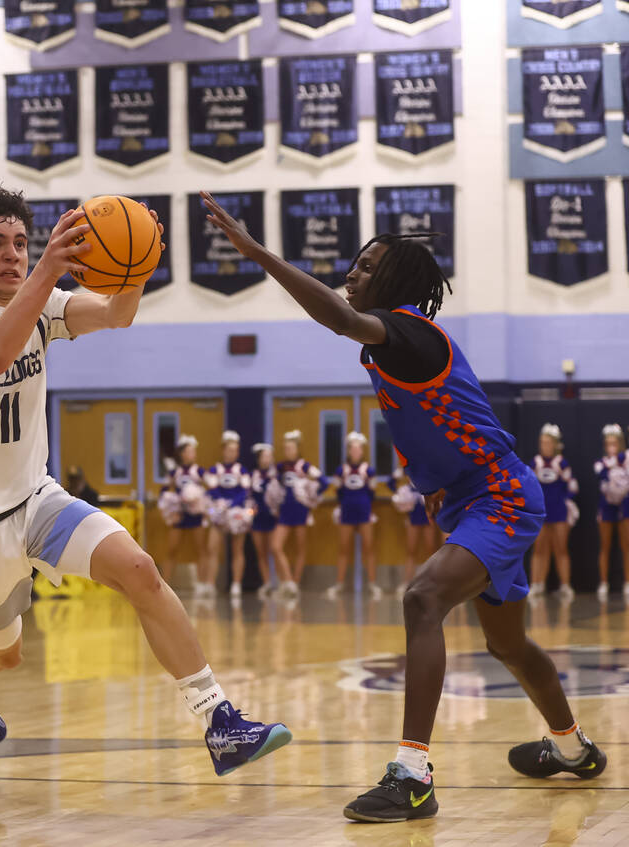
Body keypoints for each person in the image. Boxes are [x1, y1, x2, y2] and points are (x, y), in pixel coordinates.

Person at [201, 193, 606, 823]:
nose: (352, 275)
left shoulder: (409, 331)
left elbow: (337, 316)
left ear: (394, 282)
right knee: (509, 646)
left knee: (422, 599)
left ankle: (412, 775)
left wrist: (257, 254)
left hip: (498, 495)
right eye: (353, 267)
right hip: (474, 496)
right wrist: (435, 477)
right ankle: (571, 749)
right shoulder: (394, 344)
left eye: (365, 268)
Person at [0, 186, 289, 778]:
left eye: (20, 242)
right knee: (2, 655)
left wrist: (137, 266)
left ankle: (219, 721)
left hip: (33, 498)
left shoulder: (40, 302)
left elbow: (117, 313)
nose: (12, 254)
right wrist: (46, 270)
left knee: (141, 572)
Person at [325, 432, 381, 599]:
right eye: (353, 449)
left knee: (369, 548)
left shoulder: (369, 471)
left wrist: (366, 506)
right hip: (346, 513)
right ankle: (339, 584)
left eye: (359, 449)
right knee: (343, 549)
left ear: (362, 451)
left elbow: (372, 493)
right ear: (348, 451)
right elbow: (338, 492)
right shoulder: (341, 470)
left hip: (364, 513)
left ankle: (372, 584)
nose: (356, 452)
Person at [159, 435, 214, 593]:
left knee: (201, 548)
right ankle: (165, 585)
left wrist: (204, 506)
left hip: (195, 515)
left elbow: (213, 488)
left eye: (193, 451)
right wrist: (169, 507)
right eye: (189, 451)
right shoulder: (174, 472)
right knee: (172, 548)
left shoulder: (199, 471)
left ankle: (203, 584)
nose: (192, 454)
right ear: (182, 454)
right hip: (179, 514)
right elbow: (163, 490)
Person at [529, 424, 577, 601]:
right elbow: (528, 486)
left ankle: (565, 585)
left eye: (548, 443)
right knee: (539, 548)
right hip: (541, 512)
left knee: (560, 548)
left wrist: (567, 501)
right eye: (542, 442)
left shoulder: (561, 463)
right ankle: (536, 584)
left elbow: (572, 486)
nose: (545, 446)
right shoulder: (535, 463)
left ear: (555, 444)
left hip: (558, 512)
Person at [272, 430, 320, 596]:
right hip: (284, 512)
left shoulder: (305, 466)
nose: (288, 452)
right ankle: (288, 581)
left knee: (301, 548)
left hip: (301, 510)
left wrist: (310, 496)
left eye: (291, 448)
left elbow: (323, 481)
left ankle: (296, 584)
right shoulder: (280, 467)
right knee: (275, 547)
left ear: (297, 449)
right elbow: (273, 488)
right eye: (286, 449)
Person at [205, 431, 253, 597]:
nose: (232, 453)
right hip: (218, 512)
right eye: (229, 450)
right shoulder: (214, 469)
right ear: (223, 450)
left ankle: (236, 585)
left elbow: (245, 491)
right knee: (212, 548)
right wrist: (220, 503)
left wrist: (232, 504)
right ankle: (210, 584)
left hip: (237, 513)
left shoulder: (242, 470)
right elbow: (212, 488)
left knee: (237, 549)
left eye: (235, 450)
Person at [593, 424, 628, 602]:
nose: (611, 447)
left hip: (625, 503)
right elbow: (602, 474)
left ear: (620, 443)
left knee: (626, 545)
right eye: (608, 444)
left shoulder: (627, 458)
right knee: (604, 545)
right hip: (606, 504)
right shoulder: (601, 463)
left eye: (614, 443)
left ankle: (627, 583)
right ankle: (603, 583)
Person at [390, 468, 433, 595]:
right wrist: (396, 474)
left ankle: (431, 582)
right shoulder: (406, 490)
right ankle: (406, 582)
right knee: (410, 551)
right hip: (413, 520)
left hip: (428, 520)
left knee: (430, 551)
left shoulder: (427, 486)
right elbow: (390, 484)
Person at [250, 442, 283, 595]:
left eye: (269, 456)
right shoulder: (252, 475)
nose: (267, 459)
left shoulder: (277, 475)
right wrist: (250, 511)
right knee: (261, 552)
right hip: (257, 519)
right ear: (258, 458)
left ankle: (281, 582)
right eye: (264, 456)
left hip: (272, 518)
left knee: (275, 550)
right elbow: (248, 496)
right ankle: (267, 582)